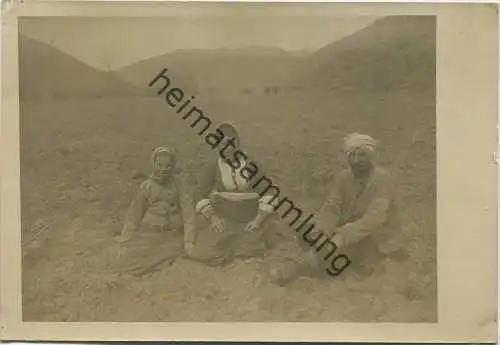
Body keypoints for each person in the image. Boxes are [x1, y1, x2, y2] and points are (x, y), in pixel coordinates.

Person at [268, 133, 402, 285]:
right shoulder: (344, 177)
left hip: (376, 234)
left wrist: (342, 237)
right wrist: (322, 231)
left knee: (332, 253)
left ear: (371, 157)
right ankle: (305, 261)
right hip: (348, 228)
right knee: (308, 232)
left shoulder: (383, 179)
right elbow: (332, 208)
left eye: (362, 156)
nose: (356, 161)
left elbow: (375, 218)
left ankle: (293, 269)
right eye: (352, 156)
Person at [186, 122, 281, 266]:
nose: (226, 148)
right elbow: (199, 193)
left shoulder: (251, 165)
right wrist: (213, 218)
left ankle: (244, 245)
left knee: (271, 236)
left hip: (250, 217)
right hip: (224, 217)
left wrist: (257, 220)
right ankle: (238, 247)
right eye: (221, 144)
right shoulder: (214, 166)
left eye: (230, 143)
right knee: (203, 249)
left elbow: (268, 191)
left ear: (237, 143)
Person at [107, 146, 196, 276]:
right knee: (130, 260)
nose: (163, 169)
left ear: (172, 166)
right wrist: (125, 240)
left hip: (170, 235)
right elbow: (134, 216)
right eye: (160, 165)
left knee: (169, 257)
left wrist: (189, 241)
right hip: (148, 233)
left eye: (167, 165)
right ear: (154, 164)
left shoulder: (180, 185)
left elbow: (189, 215)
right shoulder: (146, 187)